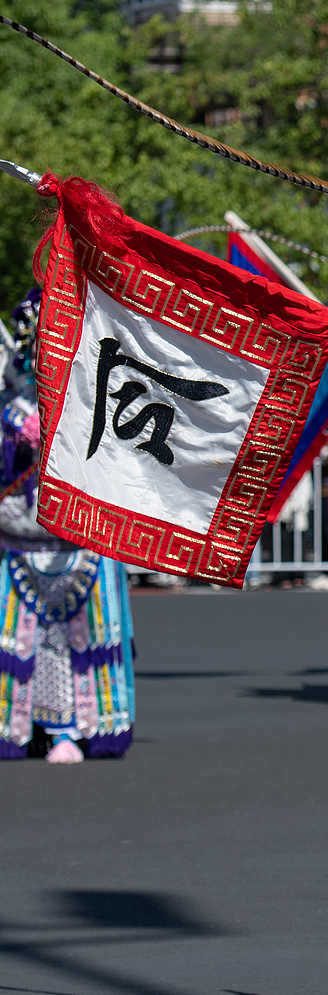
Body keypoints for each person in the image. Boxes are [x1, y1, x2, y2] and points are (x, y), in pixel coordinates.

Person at [1, 292, 135, 761]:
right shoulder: (10, 403)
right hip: (18, 535)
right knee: (22, 639)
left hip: (81, 537)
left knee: (78, 639)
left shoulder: (98, 393)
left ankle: (72, 727)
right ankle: (23, 726)